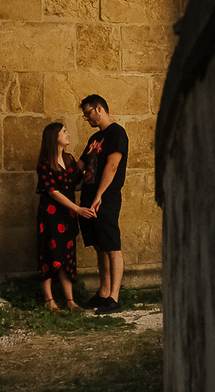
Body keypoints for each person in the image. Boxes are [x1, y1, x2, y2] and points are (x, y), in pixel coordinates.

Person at [77, 94, 129, 314]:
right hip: (88, 197)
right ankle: (103, 293)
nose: (86, 118)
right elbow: (80, 167)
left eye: (88, 113)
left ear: (99, 108)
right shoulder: (93, 139)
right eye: (84, 115)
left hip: (106, 197)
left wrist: (99, 194)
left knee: (111, 246)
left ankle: (114, 298)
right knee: (99, 246)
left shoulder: (117, 133)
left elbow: (113, 165)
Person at [35, 121, 91, 311]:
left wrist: (93, 176)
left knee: (67, 255)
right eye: (64, 131)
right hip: (51, 215)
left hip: (68, 215)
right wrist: (78, 208)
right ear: (54, 137)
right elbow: (52, 191)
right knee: (48, 252)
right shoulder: (44, 163)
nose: (68, 134)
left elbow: (77, 183)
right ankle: (49, 300)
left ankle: (70, 300)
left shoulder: (69, 159)